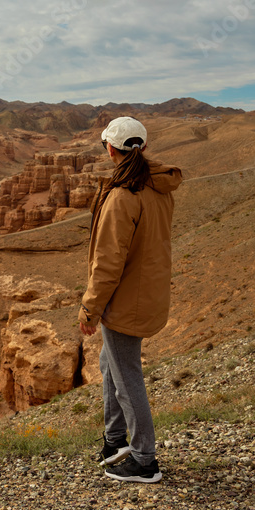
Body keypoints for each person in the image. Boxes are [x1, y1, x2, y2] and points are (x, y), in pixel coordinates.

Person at [78, 116, 183, 483]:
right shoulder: (157, 186)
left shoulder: (124, 195)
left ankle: (144, 460)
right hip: (146, 293)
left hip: (126, 301)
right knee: (111, 364)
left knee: (127, 376)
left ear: (110, 149)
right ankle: (114, 441)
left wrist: (90, 307)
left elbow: (108, 262)